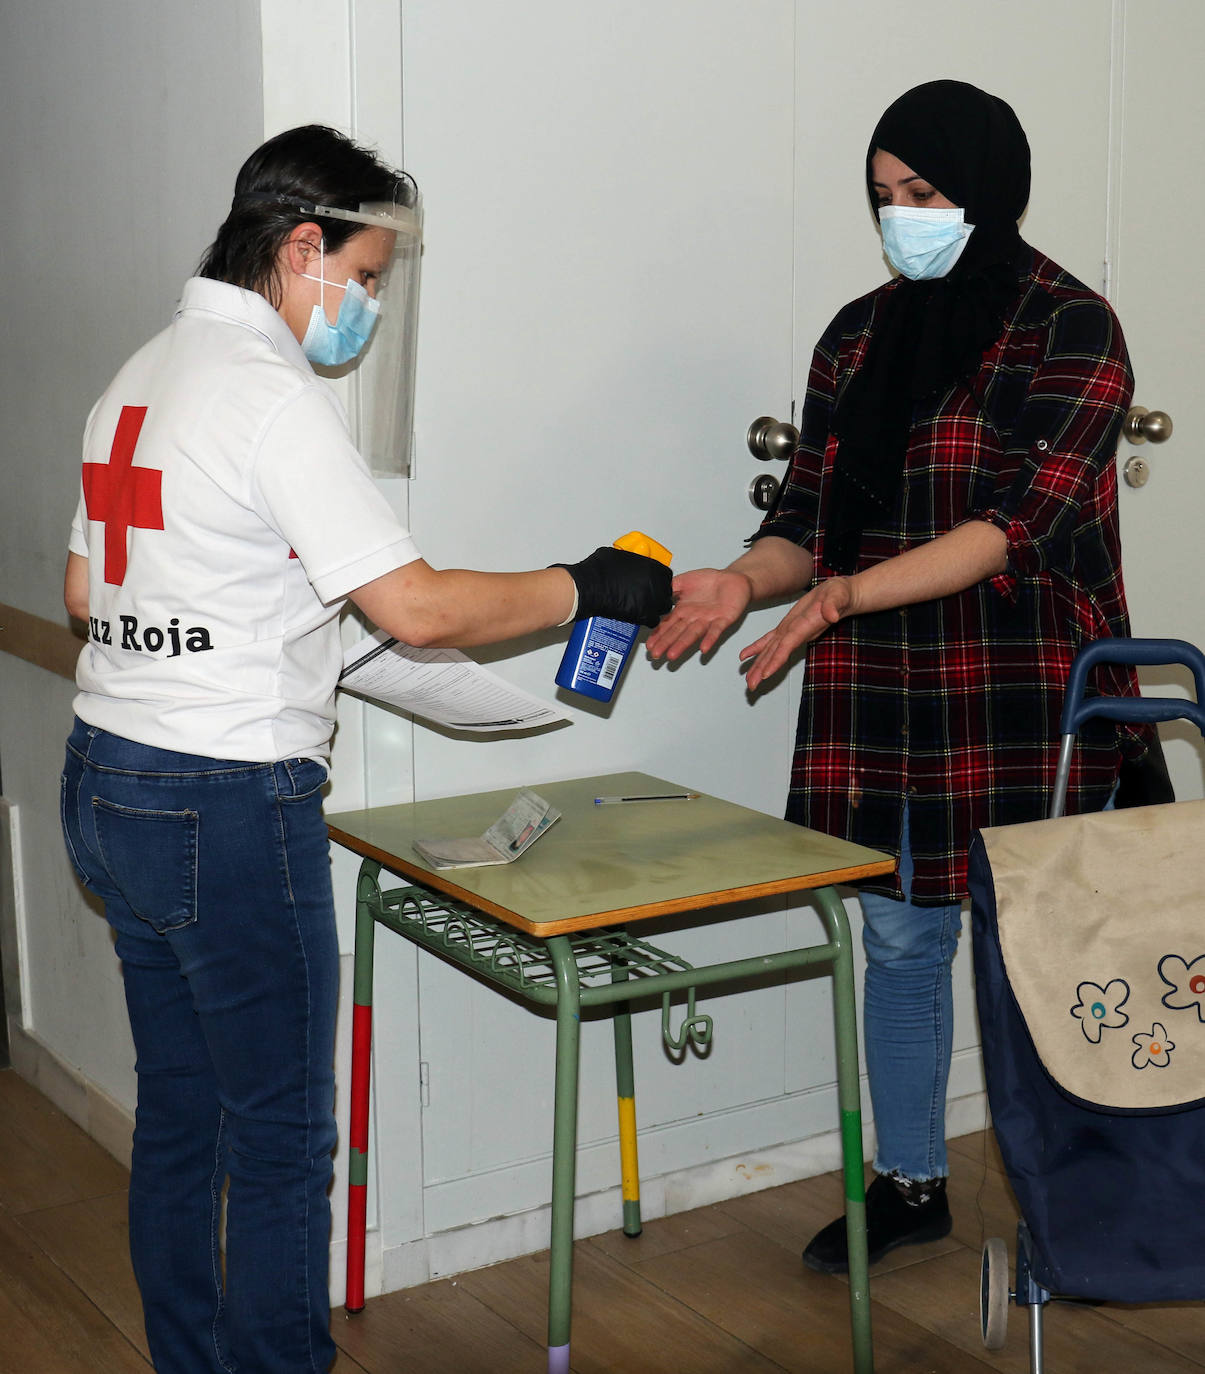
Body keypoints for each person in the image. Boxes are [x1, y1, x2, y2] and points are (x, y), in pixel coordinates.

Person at [59, 124, 671, 1373]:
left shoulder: (142, 373)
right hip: (222, 802)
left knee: (182, 1118)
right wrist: (582, 582)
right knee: (281, 1134)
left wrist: (267, 622)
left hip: (108, 778)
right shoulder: (269, 395)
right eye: (370, 274)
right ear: (302, 248)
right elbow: (421, 607)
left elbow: (84, 591)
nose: (371, 306)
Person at [648, 80, 1153, 1274]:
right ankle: (911, 1181)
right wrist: (741, 579)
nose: (899, 218)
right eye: (882, 198)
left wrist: (842, 594)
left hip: (1019, 687)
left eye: (921, 194)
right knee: (899, 940)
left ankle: (1087, 1191)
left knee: (1044, 950)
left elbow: (1008, 526)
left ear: (984, 188)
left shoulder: (1069, 327)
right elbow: (809, 521)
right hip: (881, 692)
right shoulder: (856, 335)